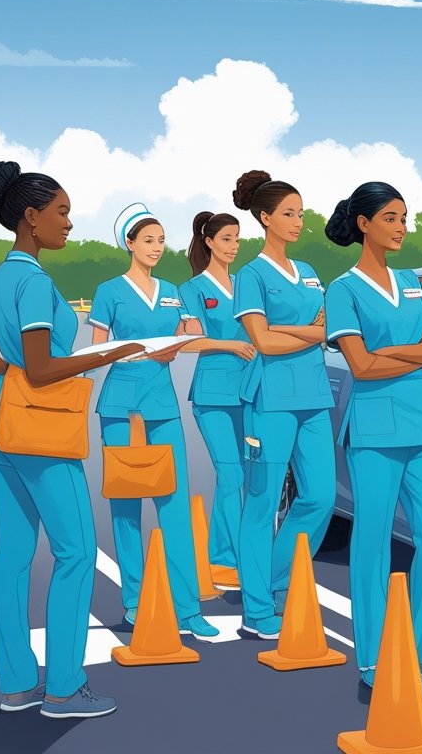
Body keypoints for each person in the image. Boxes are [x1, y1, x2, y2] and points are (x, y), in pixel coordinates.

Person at [0, 161, 144, 718]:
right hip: (40, 434)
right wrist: (111, 353)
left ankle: (16, 685)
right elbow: (41, 370)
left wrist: (11, 373)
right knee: (76, 552)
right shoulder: (36, 283)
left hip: (0, 428)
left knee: (12, 556)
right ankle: (63, 687)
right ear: (31, 217)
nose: (69, 222)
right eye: (61, 212)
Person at [324, 181, 422, 689]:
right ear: (363, 223)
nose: (401, 228)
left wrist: (388, 352)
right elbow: (361, 367)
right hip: (373, 432)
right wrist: (413, 352)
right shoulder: (342, 290)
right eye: (390, 218)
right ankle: (372, 659)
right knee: (373, 543)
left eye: (404, 218)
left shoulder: (413, 282)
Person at [88, 203, 219, 640]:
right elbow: (97, 351)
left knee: (174, 503)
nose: (157, 247)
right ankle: (134, 602)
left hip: (163, 405)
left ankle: (187, 609)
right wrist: (136, 351)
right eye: (148, 240)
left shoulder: (173, 291)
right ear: (129, 243)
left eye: (161, 240)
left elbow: (193, 336)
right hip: (121, 406)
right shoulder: (109, 291)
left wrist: (177, 346)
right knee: (126, 505)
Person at [231, 171, 334, 639]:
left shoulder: (309, 271)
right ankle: (256, 609)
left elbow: (323, 330)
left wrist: (288, 330)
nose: (297, 222)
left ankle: (276, 581)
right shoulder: (250, 276)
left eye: (301, 214)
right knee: (262, 501)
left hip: (314, 396)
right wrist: (309, 332)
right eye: (288, 214)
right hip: (269, 399)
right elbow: (264, 343)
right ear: (265, 218)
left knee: (320, 497)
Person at [179, 211, 257, 591]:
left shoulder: (246, 284)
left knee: (250, 475)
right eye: (227, 238)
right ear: (209, 242)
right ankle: (225, 560)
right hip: (212, 396)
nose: (234, 246)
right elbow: (191, 341)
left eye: (237, 238)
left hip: (249, 392)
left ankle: (239, 553)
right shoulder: (192, 289)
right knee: (231, 473)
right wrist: (230, 345)